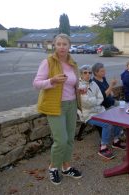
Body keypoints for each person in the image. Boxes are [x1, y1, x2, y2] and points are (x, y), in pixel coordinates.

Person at [33, 33, 82, 185]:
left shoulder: (73, 64)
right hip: (55, 106)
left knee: (70, 139)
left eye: (64, 44)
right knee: (61, 140)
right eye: (59, 44)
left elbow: (74, 83)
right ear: (54, 45)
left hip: (71, 105)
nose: (62, 47)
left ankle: (66, 167)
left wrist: (79, 90)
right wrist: (51, 81)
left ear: (69, 46)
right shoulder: (48, 62)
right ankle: (54, 167)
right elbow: (36, 83)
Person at [78, 65, 126, 160]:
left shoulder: (93, 84)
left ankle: (116, 141)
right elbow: (86, 104)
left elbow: (101, 98)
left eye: (89, 72)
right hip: (89, 114)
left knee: (117, 116)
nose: (88, 74)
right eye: (85, 72)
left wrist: (93, 100)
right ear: (81, 74)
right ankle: (103, 148)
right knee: (107, 124)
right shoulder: (79, 86)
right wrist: (95, 100)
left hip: (100, 110)